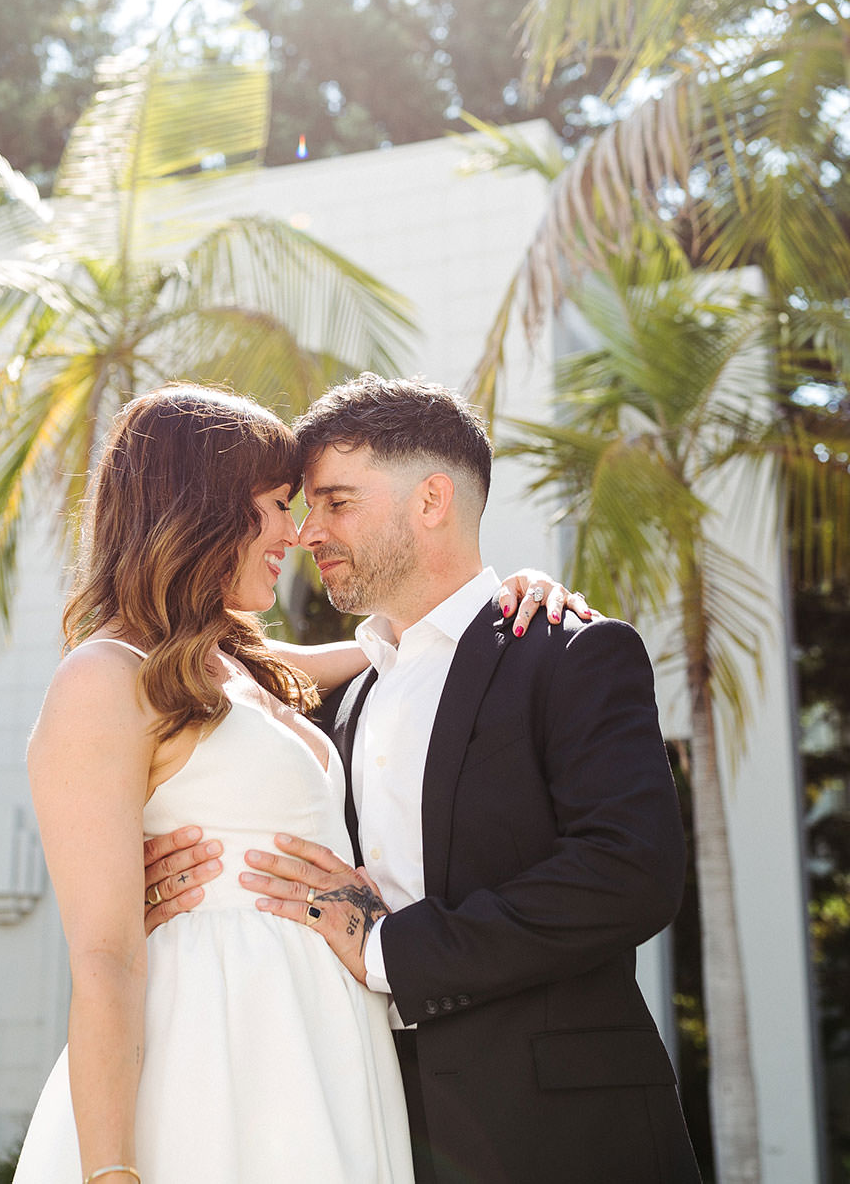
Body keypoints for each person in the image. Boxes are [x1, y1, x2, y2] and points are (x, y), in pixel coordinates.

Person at [11, 383, 592, 1184]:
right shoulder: (103, 677)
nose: (298, 530)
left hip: (327, 1047)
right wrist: (110, 1171)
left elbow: (398, 646)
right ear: (200, 508)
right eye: (278, 503)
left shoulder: (239, 667)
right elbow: (105, 957)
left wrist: (510, 601)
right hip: (214, 1052)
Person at [146, 374, 699, 1184]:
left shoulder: (570, 651)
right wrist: (152, 885)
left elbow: (630, 872)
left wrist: (392, 950)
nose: (307, 533)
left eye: (337, 503)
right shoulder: (340, 695)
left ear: (431, 498)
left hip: (561, 1128)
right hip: (371, 1117)